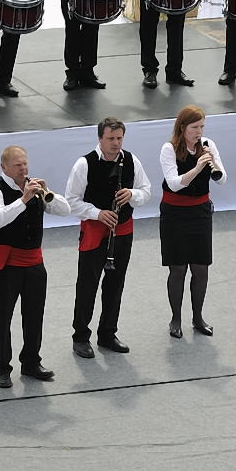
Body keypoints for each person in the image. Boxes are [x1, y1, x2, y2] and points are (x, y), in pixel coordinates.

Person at [0, 146, 71, 388]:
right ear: (4, 167)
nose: (23, 169)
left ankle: (31, 361)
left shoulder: (35, 188)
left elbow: (65, 210)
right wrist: (23, 199)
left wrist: (47, 191)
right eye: (17, 165)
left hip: (34, 263)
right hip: (6, 265)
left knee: (34, 315)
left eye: (25, 164)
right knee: (2, 318)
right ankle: (2, 368)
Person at [65, 117, 151, 359]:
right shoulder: (85, 164)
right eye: (111, 139)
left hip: (122, 229)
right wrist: (97, 213)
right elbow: (71, 200)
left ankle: (107, 333)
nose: (116, 143)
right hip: (95, 230)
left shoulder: (131, 160)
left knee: (115, 283)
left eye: (119, 138)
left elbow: (146, 190)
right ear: (100, 138)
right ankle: (80, 337)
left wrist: (131, 194)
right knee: (87, 284)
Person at [159, 105, 227, 338]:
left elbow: (222, 180)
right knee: (177, 268)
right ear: (182, 127)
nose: (199, 132)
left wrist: (214, 166)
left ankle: (197, 317)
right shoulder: (169, 149)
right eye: (194, 127)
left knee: (200, 267)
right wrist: (198, 167)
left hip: (200, 212)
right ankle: (175, 318)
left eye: (202, 127)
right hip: (174, 214)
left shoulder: (208, 145)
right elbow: (174, 183)